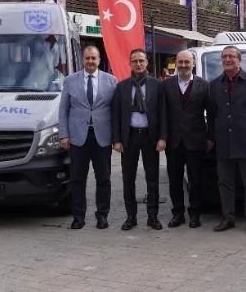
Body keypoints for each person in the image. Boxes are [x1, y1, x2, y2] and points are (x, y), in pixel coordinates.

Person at [208, 46, 246, 235]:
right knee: (225, 183)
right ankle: (228, 218)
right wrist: (212, 136)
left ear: (239, 59)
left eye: (231, 56)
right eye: (224, 56)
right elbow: (213, 113)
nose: (227, 59)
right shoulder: (214, 84)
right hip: (223, 141)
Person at [58, 46, 117, 230]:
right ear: (82, 60)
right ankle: (78, 216)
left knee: (104, 179)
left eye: (94, 58)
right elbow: (63, 109)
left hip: (102, 137)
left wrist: (116, 137)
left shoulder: (111, 80)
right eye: (87, 58)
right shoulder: (70, 80)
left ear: (99, 60)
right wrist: (63, 134)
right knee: (77, 179)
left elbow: (116, 111)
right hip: (78, 137)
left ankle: (102, 216)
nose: (90, 61)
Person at [112, 48, 167, 231]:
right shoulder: (122, 86)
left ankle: (152, 217)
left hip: (150, 137)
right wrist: (116, 140)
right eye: (134, 61)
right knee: (128, 179)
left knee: (152, 179)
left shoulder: (157, 85)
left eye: (141, 60)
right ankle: (131, 217)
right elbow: (116, 114)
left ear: (147, 63)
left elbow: (163, 112)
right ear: (130, 63)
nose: (138, 64)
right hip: (129, 137)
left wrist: (162, 137)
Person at [162, 50, 213, 229]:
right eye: (180, 62)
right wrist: (162, 137)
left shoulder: (204, 85)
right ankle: (178, 213)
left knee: (196, 179)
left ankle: (195, 214)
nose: (183, 65)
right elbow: (162, 113)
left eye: (187, 62)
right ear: (176, 63)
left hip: (196, 140)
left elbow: (211, 114)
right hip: (173, 141)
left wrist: (210, 137)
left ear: (193, 64)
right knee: (174, 180)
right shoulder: (166, 85)